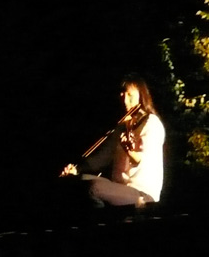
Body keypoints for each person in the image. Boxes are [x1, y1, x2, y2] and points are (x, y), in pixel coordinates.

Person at [60, 75, 165, 207]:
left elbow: (141, 160)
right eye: (122, 96)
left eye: (130, 96)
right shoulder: (122, 126)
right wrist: (77, 170)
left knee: (94, 188)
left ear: (141, 96)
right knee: (76, 180)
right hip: (119, 188)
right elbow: (102, 158)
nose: (125, 101)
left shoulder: (151, 124)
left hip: (142, 193)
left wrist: (129, 150)